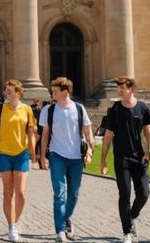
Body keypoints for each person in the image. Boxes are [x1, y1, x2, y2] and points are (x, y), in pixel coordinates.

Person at [99, 76, 150, 243]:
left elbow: (148, 132)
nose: (120, 92)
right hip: (121, 158)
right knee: (125, 194)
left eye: (122, 89)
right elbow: (108, 136)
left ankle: (131, 217)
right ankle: (127, 233)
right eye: (118, 89)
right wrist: (103, 160)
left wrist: (147, 151)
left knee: (144, 193)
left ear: (132, 89)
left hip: (139, 157)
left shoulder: (143, 108)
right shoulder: (115, 109)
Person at [39, 77, 93, 243]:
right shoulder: (48, 110)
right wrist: (42, 156)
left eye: (55, 91)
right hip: (57, 155)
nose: (52, 93)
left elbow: (87, 131)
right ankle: (60, 230)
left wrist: (90, 150)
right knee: (59, 193)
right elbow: (45, 135)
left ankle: (66, 218)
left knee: (74, 194)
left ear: (65, 92)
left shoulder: (79, 108)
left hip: (76, 156)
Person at [0, 79, 36, 242]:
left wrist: (33, 152)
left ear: (18, 92)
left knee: (21, 193)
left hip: (22, 153)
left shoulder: (27, 109)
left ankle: (15, 222)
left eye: (10, 90)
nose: (6, 92)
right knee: (8, 192)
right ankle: (11, 227)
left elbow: (31, 132)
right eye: (6, 90)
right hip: (3, 153)